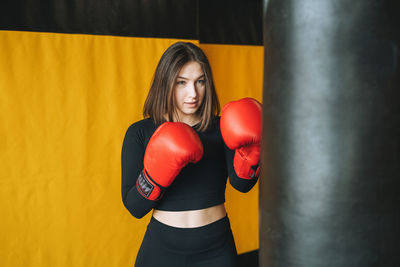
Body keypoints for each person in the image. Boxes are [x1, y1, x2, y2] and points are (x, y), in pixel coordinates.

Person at [121, 41, 261, 267]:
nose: (193, 93)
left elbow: (241, 185)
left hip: (216, 248)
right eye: (182, 83)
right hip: (161, 249)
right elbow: (135, 208)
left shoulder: (222, 127)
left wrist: (253, 152)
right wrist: (154, 175)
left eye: (200, 82)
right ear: (165, 84)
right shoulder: (140, 133)